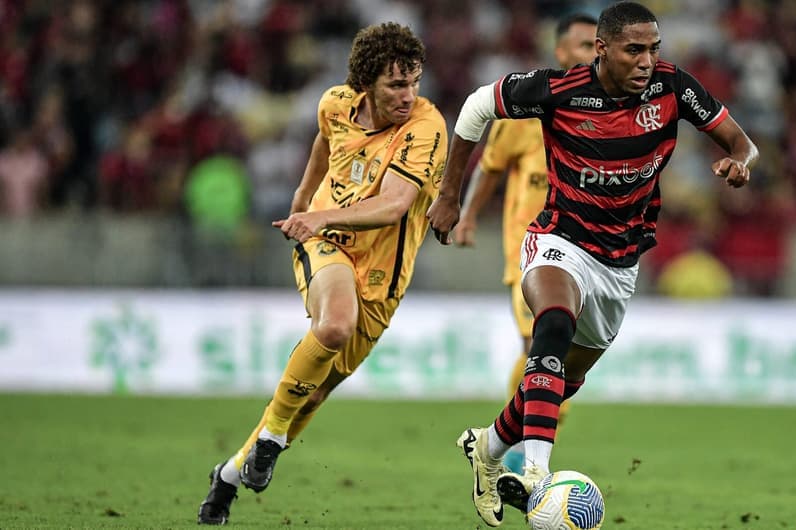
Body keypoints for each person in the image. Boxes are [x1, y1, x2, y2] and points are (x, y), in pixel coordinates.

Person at [427, 2, 758, 526]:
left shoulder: (673, 87)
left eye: (653, 48)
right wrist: (451, 197)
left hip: (620, 262)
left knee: (564, 380)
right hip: (558, 239)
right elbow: (474, 107)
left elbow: (741, 141)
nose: (648, 60)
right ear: (602, 49)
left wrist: (739, 162)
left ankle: (488, 447)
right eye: (634, 49)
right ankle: (537, 474)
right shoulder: (559, 90)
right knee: (553, 324)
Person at [197, 22, 448, 525]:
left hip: (383, 278)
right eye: (396, 85)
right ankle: (269, 440)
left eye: (414, 82)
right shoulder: (336, 103)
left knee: (313, 392)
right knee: (334, 324)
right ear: (366, 83)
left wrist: (316, 212)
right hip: (326, 244)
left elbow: (395, 205)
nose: (408, 95)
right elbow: (324, 143)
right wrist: (305, 199)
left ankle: (227, 476)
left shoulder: (426, 127)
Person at [453, 13, 598, 475]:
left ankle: (504, 442)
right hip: (531, 253)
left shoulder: (608, 111)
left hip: (587, 256)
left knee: (565, 367)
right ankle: (517, 458)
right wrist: (468, 215)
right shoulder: (529, 108)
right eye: (582, 45)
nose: (592, 54)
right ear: (559, 53)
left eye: (598, 46)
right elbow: (490, 166)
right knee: (543, 345)